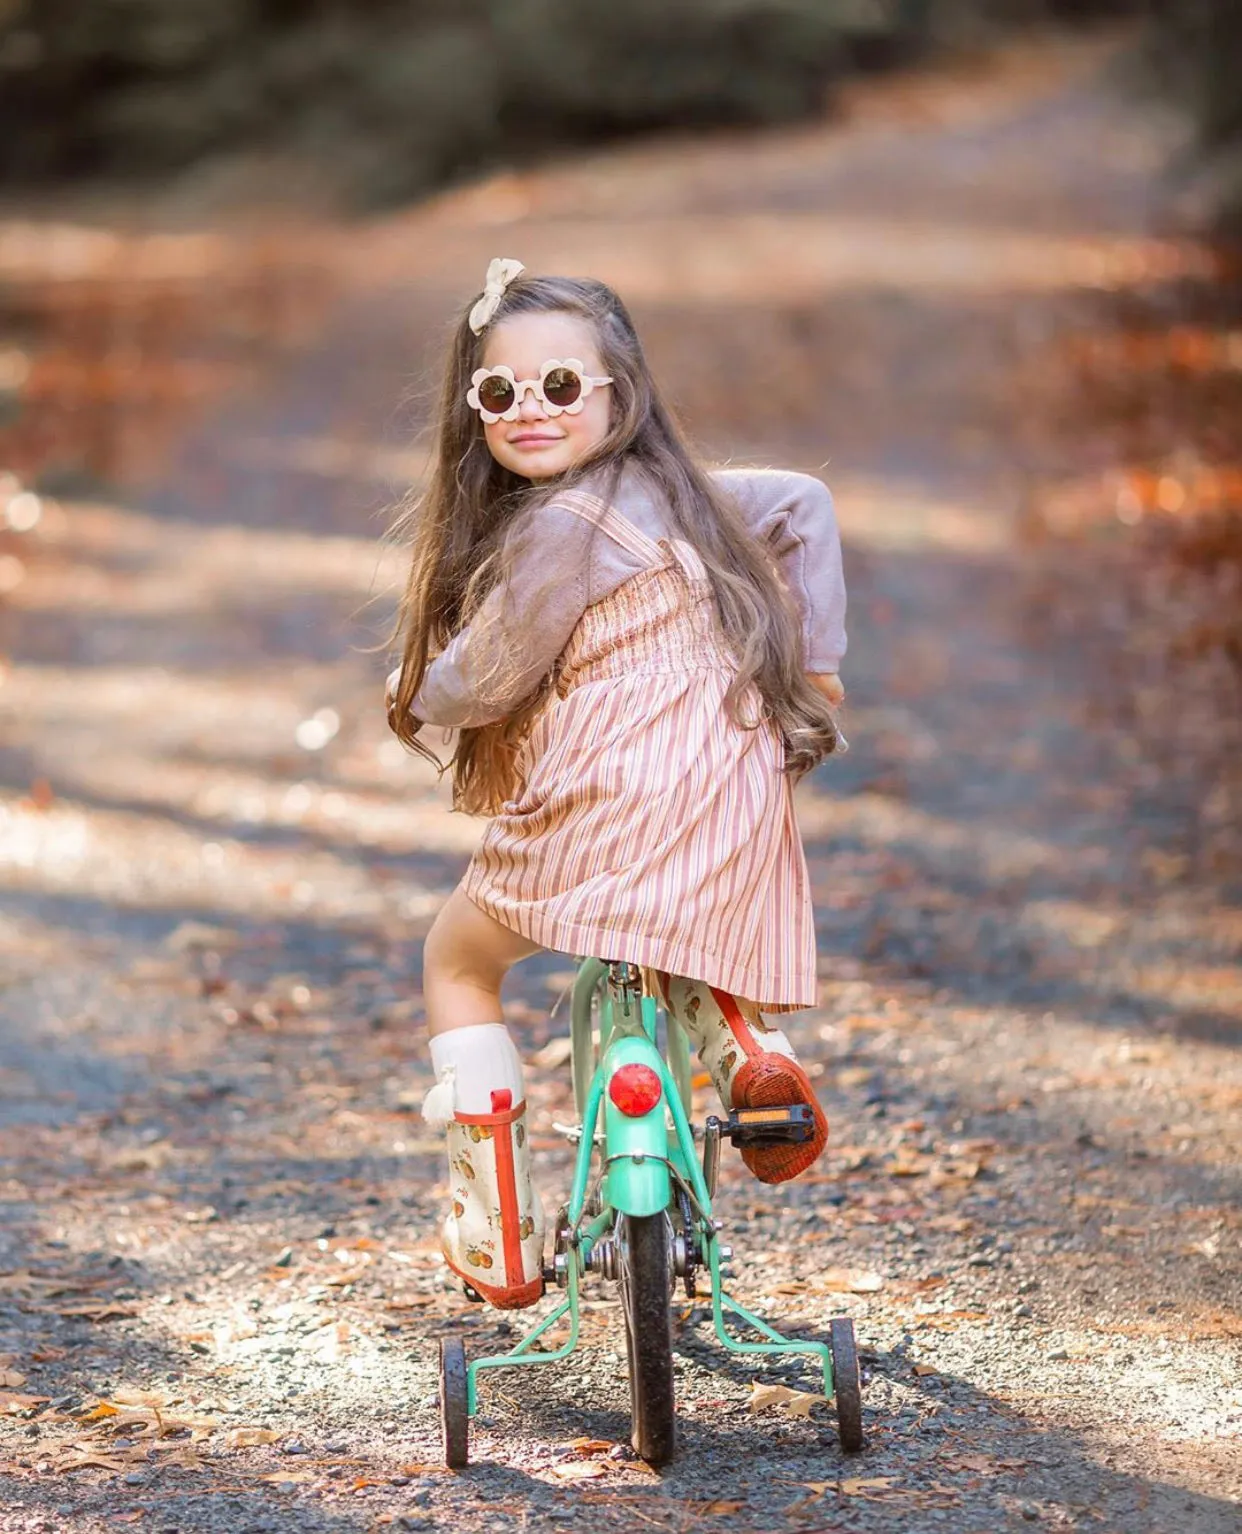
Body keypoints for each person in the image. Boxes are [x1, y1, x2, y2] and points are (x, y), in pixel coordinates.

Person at [386, 258, 847, 1309]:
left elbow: (488, 675)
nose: (529, 410)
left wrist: (415, 696)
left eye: (561, 386)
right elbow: (807, 504)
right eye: (499, 393)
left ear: (618, 396)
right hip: (732, 779)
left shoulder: (557, 529)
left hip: (604, 797)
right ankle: (742, 1046)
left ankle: (493, 1223)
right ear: (477, 407)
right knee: (678, 919)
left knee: (458, 956)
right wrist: (817, 667)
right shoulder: (692, 496)